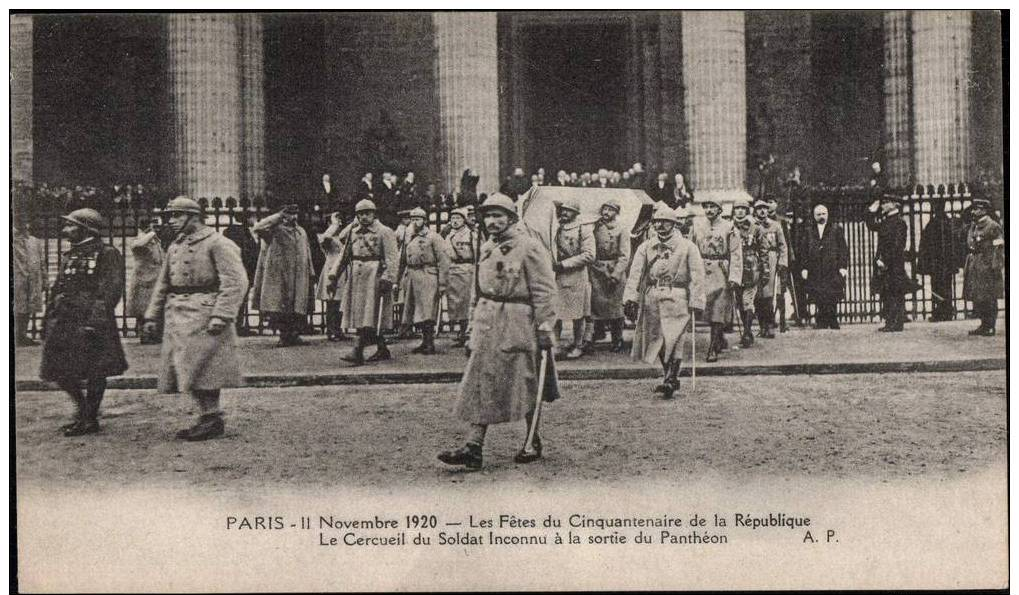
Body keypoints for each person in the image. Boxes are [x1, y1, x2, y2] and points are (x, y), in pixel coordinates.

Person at [437, 193, 557, 470]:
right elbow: (476, 292)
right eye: (488, 216)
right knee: (481, 382)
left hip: (518, 321)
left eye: (498, 216)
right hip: (487, 320)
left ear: (511, 219)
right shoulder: (487, 247)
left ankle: (532, 440)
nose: (492, 222)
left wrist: (544, 325)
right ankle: (473, 446)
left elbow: (545, 290)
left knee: (524, 382)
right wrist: (471, 326)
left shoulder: (529, 247)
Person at [143, 197, 248, 441]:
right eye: (170, 216)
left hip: (205, 314)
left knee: (204, 369)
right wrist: (151, 315)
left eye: (177, 215)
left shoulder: (218, 243)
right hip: (177, 314)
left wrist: (221, 314)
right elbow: (163, 283)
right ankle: (207, 416)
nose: (171, 221)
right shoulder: (175, 246)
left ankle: (212, 417)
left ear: (194, 217)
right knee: (185, 369)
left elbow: (235, 281)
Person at [40, 208, 128, 436]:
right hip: (64, 321)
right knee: (59, 370)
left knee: (95, 370)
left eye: (70, 226)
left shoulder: (107, 253)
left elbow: (109, 290)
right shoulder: (70, 255)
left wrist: (95, 321)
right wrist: (47, 319)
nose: (65, 230)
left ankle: (89, 418)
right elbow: (56, 289)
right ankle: (82, 410)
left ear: (86, 228)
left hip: (90, 321)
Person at [623, 204, 705, 398]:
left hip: (677, 297)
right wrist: (630, 298)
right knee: (657, 339)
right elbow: (635, 273)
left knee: (674, 339)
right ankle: (670, 376)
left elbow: (697, 275)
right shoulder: (646, 247)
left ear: (674, 224)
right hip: (652, 296)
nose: (660, 225)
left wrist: (697, 300)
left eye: (665, 222)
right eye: (657, 222)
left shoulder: (687, 247)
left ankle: (670, 378)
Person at [335, 199, 399, 365]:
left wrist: (388, 278)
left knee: (370, 314)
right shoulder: (353, 232)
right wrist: (333, 275)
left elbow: (392, 258)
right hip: (356, 277)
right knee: (362, 315)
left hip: (374, 277)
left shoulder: (384, 232)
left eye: (367, 213)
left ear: (374, 214)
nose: (364, 217)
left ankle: (357, 351)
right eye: (360, 214)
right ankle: (382, 348)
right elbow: (344, 255)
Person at [251, 204, 314, 347]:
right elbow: (258, 227)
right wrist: (278, 216)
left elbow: (307, 250)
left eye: (295, 213)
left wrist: (311, 271)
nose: (293, 217)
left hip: (298, 275)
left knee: (298, 306)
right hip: (281, 275)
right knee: (281, 306)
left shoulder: (301, 231)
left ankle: (294, 335)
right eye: (290, 214)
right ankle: (284, 335)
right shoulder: (275, 230)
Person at [690, 197, 742, 362]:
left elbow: (735, 253)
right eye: (706, 207)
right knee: (706, 309)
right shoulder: (697, 226)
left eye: (713, 207)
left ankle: (712, 348)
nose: (709, 210)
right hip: (702, 270)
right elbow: (690, 250)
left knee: (718, 310)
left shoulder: (729, 228)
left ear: (720, 210)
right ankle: (719, 337)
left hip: (721, 271)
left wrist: (734, 276)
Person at [399, 207, 450, 354]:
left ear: (425, 220)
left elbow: (443, 260)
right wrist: (398, 279)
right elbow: (402, 259)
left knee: (428, 311)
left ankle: (429, 342)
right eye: (413, 219)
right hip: (413, 276)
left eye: (418, 219)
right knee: (416, 311)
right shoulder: (408, 237)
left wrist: (442, 283)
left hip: (428, 275)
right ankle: (423, 341)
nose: (415, 222)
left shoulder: (433, 237)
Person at [553, 198, 596, 359]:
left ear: (576, 213)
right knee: (556, 311)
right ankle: (556, 345)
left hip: (576, 275)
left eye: (569, 210)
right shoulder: (556, 227)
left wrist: (564, 264)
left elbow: (590, 254)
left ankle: (578, 345)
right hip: (557, 275)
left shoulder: (583, 229)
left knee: (578, 314)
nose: (564, 212)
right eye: (563, 209)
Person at [588, 198, 630, 352]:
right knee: (596, 305)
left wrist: (616, 274)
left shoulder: (622, 229)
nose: (606, 212)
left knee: (616, 307)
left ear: (616, 213)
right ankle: (596, 334)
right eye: (605, 209)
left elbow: (625, 255)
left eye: (611, 210)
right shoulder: (595, 228)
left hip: (614, 269)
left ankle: (617, 338)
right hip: (597, 270)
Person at [867, 194, 912, 332]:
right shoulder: (887, 221)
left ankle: (896, 323)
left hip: (893, 265)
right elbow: (871, 225)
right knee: (887, 292)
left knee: (895, 293)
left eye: (886, 202)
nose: (882, 205)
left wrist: (884, 260)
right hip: (885, 264)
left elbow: (897, 246)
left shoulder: (899, 222)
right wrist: (870, 211)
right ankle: (890, 321)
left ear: (894, 205)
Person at [801, 204, 848, 329]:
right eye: (818, 214)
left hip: (832, 268)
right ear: (814, 216)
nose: (821, 216)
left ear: (827, 215)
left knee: (832, 294)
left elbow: (843, 249)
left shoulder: (836, 229)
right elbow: (804, 250)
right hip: (815, 268)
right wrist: (804, 268)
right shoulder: (809, 230)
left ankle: (833, 320)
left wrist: (843, 266)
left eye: (823, 214)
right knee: (818, 293)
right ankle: (821, 320)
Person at [917, 197, 964, 322]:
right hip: (943, 263)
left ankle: (944, 311)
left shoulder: (936, 222)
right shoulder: (945, 222)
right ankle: (944, 310)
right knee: (942, 287)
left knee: (939, 287)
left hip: (938, 263)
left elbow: (925, 244)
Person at [962, 198, 1004, 336]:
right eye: (973, 209)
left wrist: (994, 266)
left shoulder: (993, 226)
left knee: (989, 296)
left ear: (984, 210)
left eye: (977, 209)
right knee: (978, 296)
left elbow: (999, 247)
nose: (974, 211)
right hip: (975, 265)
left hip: (987, 265)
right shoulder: (974, 225)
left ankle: (990, 325)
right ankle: (983, 324)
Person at [732, 198, 769, 347]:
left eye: (743, 208)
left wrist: (765, 270)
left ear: (747, 211)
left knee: (748, 301)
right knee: (740, 303)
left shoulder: (755, 228)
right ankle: (748, 332)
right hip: (735, 268)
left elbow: (763, 250)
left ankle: (747, 333)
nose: (740, 211)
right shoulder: (730, 227)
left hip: (751, 268)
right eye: (737, 208)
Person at [221, 209, 260, 335]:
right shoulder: (241, 232)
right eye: (252, 217)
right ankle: (237, 327)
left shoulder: (230, 231)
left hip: (237, 270)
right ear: (246, 218)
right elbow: (248, 252)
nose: (254, 220)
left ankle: (236, 326)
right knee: (240, 299)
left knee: (238, 299)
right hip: (242, 270)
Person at [753, 198, 788, 338]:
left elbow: (783, 246)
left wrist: (782, 262)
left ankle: (770, 325)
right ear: (755, 211)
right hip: (755, 260)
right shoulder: (752, 226)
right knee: (757, 295)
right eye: (759, 208)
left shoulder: (775, 225)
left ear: (768, 210)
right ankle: (761, 326)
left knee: (768, 295)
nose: (762, 211)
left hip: (772, 258)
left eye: (764, 208)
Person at [127, 217, 166, 344]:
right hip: (144, 281)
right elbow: (137, 245)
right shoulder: (141, 238)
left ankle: (154, 336)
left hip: (155, 280)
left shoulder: (155, 240)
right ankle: (145, 336)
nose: (156, 228)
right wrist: (152, 233)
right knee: (143, 310)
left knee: (154, 309)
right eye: (153, 225)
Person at [13, 213, 47, 346]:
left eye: (26, 222)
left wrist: (44, 279)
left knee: (27, 308)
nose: (24, 225)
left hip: (32, 278)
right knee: (17, 307)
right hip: (17, 279)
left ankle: (21, 334)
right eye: (20, 222)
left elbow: (41, 261)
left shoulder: (34, 241)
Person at [444, 207, 477, 347]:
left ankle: (466, 332)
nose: (455, 221)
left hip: (466, 269)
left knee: (465, 301)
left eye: (458, 218)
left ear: (464, 220)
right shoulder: (448, 235)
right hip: (453, 270)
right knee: (455, 303)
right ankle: (461, 332)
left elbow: (477, 254)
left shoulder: (470, 235)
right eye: (452, 218)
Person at [318, 212, 348, 341]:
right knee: (332, 302)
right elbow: (326, 238)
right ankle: (331, 330)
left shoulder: (341, 237)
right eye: (336, 221)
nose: (339, 223)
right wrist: (334, 224)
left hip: (341, 270)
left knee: (340, 301)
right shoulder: (326, 237)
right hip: (331, 268)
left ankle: (338, 329)